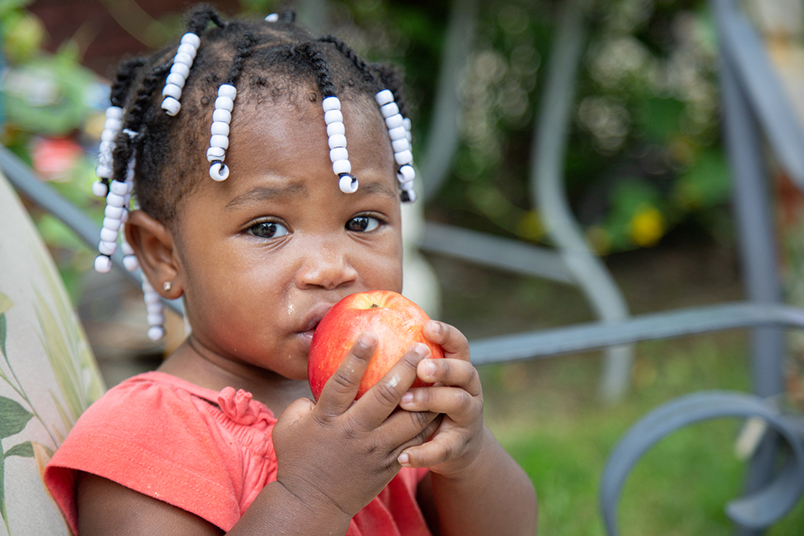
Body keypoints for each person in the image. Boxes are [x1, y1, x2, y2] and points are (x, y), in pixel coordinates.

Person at [44, 5, 537, 535]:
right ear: (163, 255)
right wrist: (314, 494)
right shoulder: (144, 437)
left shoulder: (375, 404)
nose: (331, 268)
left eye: (364, 220)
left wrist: (467, 456)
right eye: (266, 228)